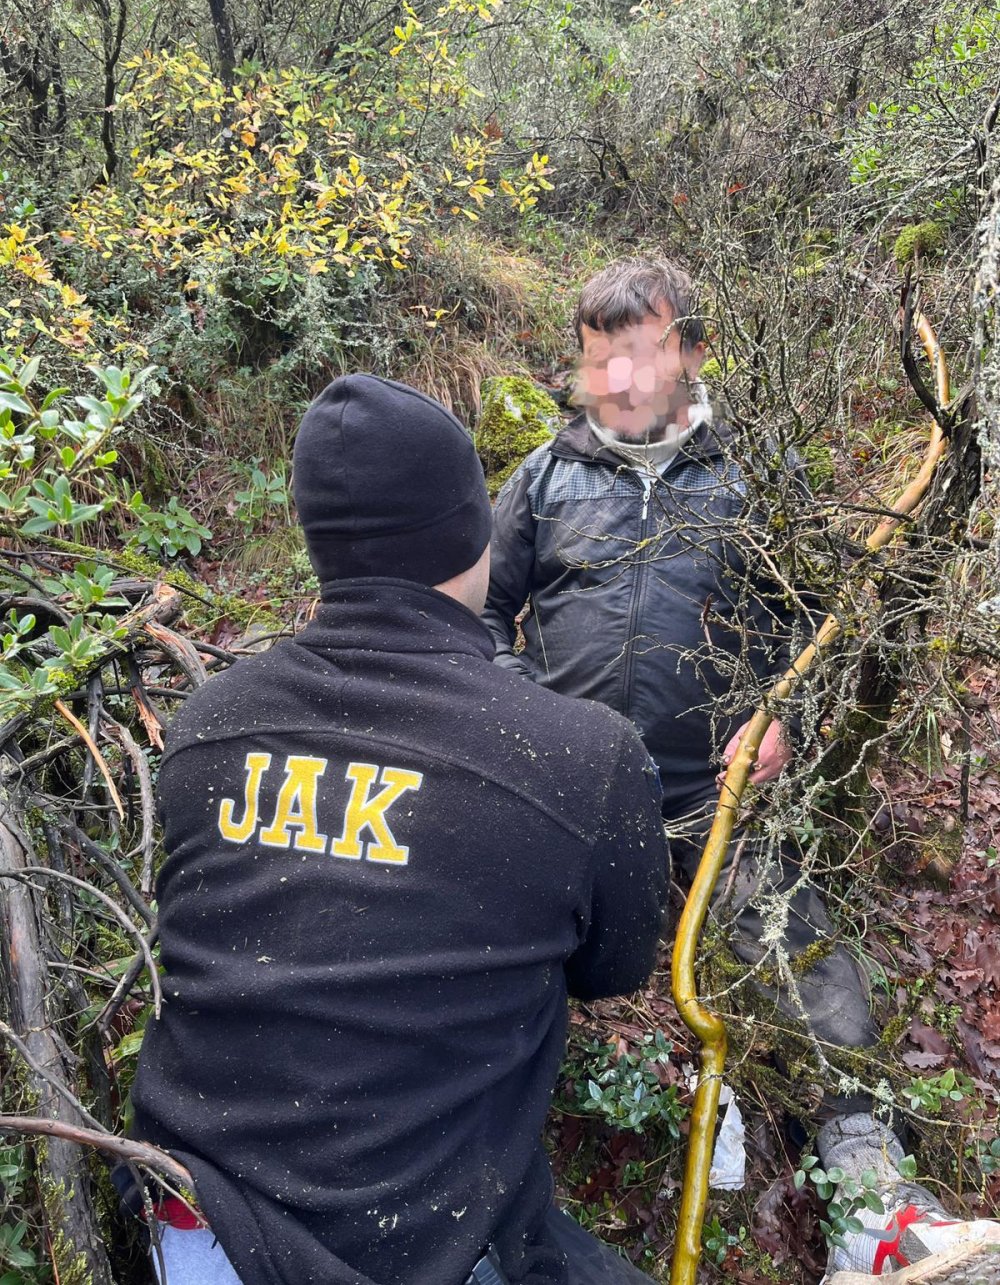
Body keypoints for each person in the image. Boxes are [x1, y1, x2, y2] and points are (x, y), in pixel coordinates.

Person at [482, 258, 1000, 1282]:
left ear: (690, 352)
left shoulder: (754, 478)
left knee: (807, 952)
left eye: (640, 355)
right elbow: (482, 615)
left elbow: (813, 623)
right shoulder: (541, 480)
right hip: (561, 794)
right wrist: (518, 710)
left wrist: (782, 715)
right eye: (598, 362)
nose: (620, 383)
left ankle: (873, 1212)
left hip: (709, 797)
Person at [130, 373, 670, 1285]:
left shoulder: (207, 724)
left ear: (318, 546)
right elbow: (612, 968)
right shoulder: (583, 757)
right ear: (475, 531)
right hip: (419, 1244)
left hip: (193, 1224)